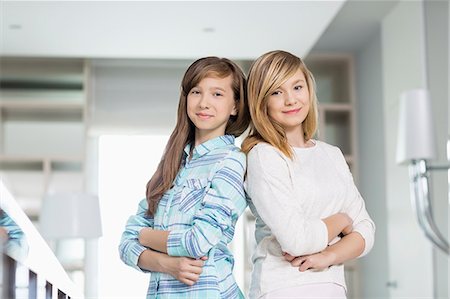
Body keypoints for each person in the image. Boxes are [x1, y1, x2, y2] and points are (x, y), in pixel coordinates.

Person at [242, 50, 375, 299]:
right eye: (276, 92)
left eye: (297, 87)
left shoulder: (332, 155)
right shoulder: (264, 155)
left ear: (309, 90)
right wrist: (343, 220)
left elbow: (366, 232)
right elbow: (297, 241)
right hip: (283, 288)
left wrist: (328, 256)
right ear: (262, 102)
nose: (291, 100)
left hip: (332, 287)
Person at [119, 56, 250, 298]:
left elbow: (197, 242)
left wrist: (145, 236)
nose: (204, 103)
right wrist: (168, 264)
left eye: (217, 94)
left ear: (235, 106)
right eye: (196, 92)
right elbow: (125, 244)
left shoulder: (231, 161)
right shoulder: (172, 164)